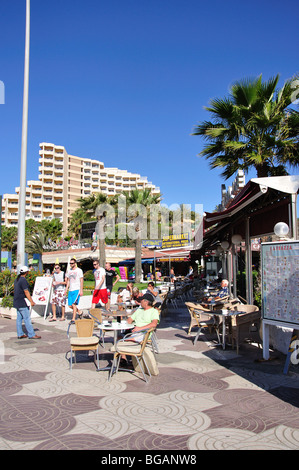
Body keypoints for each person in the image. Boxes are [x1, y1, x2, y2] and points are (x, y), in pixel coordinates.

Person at [120, 293, 160, 365]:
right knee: (119, 337)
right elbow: (130, 320)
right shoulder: (139, 310)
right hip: (134, 331)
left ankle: (129, 359)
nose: (140, 302)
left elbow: (154, 324)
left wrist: (139, 328)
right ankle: (124, 359)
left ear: (146, 302)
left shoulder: (153, 311)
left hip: (144, 334)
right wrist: (129, 323)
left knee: (122, 341)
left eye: (141, 300)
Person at [13, 266, 41, 339]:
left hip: (16, 301)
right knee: (27, 318)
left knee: (19, 318)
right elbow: (26, 291)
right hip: (21, 302)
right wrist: (31, 301)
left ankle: (20, 334)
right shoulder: (23, 280)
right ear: (27, 272)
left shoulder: (17, 279)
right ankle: (31, 334)